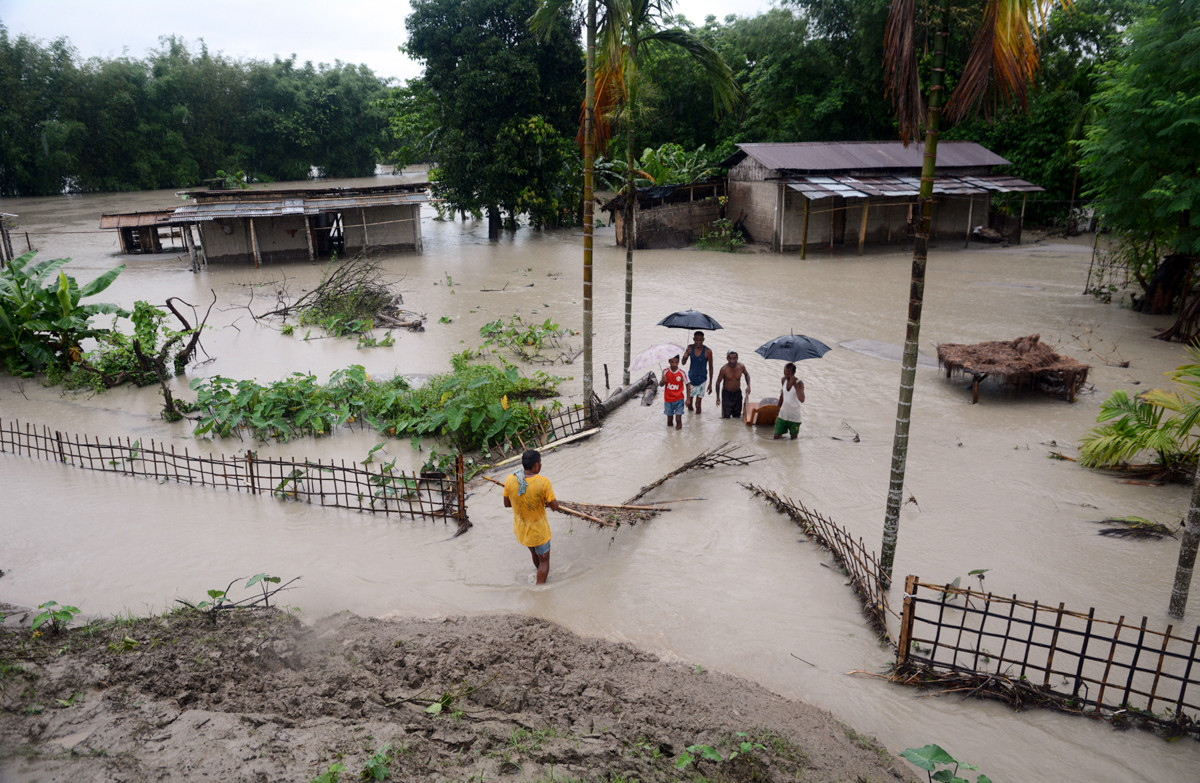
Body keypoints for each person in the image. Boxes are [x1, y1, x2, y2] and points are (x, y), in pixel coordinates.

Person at [503, 449, 560, 584]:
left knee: (534, 553)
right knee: (544, 560)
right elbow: (554, 506)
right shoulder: (543, 482)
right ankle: (539, 591)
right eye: (540, 462)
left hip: (522, 529)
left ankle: (538, 573)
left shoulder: (510, 479)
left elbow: (507, 503)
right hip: (538, 531)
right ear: (535, 465)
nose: (540, 465)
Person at [680, 331, 713, 414]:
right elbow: (683, 363)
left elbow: (711, 367)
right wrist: (685, 355)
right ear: (693, 339)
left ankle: (698, 423)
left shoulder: (708, 351)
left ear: (703, 340)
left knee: (698, 404)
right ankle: (691, 420)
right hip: (691, 378)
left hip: (702, 380)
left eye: (700, 340)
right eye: (696, 340)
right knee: (689, 403)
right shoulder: (690, 348)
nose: (698, 342)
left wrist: (710, 383)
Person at [715, 351, 751, 419]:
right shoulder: (724, 369)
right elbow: (718, 382)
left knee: (737, 417)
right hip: (726, 395)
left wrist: (748, 386)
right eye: (730, 359)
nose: (732, 361)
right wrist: (718, 397)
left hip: (737, 394)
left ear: (737, 358)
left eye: (734, 358)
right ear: (727, 359)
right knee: (726, 418)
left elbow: (747, 374)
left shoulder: (741, 366)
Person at [774, 362, 805, 440]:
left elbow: (802, 399)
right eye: (785, 374)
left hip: (794, 417)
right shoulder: (783, 380)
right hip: (783, 415)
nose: (786, 376)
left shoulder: (800, 383)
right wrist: (777, 409)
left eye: (788, 374)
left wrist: (795, 384)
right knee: (776, 437)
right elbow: (782, 395)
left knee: (793, 440)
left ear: (794, 372)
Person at [660, 355, 685, 429]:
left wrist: (688, 399)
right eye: (672, 362)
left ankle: (678, 438)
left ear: (678, 362)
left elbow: (688, 384)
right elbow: (661, 385)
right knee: (669, 421)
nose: (674, 364)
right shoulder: (665, 371)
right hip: (668, 400)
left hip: (679, 399)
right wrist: (663, 381)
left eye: (676, 362)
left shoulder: (682, 372)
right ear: (669, 362)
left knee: (678, 420)